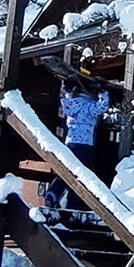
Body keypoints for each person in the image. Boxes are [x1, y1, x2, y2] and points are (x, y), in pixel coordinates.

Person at [42, 83, 112, 212]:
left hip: (70, 143)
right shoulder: (88, 105)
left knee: (68, 172)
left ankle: (53, 193)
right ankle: (73, 205)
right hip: (85, 145)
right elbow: (103, 105)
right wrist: (103, 91)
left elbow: (67, 97)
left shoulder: (70, 104)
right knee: (82, 175)